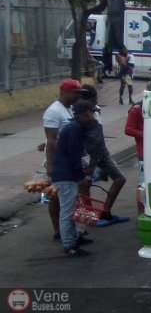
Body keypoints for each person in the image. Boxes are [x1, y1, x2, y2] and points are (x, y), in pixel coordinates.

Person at [79, 84, 129, 227]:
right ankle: (90, 216)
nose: (96, 103)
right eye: (93, 100)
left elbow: (98, 137)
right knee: (85, 184)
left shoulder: (96, 111)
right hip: (87, 154)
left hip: (100, 152)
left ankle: (105, 213)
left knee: (119, 179)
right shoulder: (78, 113)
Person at [42, 79, 87, 241]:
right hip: (59, 161)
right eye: (76, 93)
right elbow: (51, 140)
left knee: (70, 198)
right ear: (66, 92)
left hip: (69, 160)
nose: (78, 97)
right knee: (56, 198)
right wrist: (51, 164)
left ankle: (70, 231)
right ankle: (59, 231)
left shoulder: (69, 109)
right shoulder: (53, 111)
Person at [51, 99, 96, 257]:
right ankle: (69, 245)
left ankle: (73, 238)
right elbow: (73, 156)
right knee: (68, 212)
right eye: (92, 113)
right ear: (86, 113)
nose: (93, 116)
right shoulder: (75, 129)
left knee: (70, 210)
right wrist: (80, 176)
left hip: (65, 174)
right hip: (66, 176)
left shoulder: (73, 127)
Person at [125, 88, 145, 186]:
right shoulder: (137, 109)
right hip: (144, 151)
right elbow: (128, 129)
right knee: (143, 180)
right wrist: (147, 135)